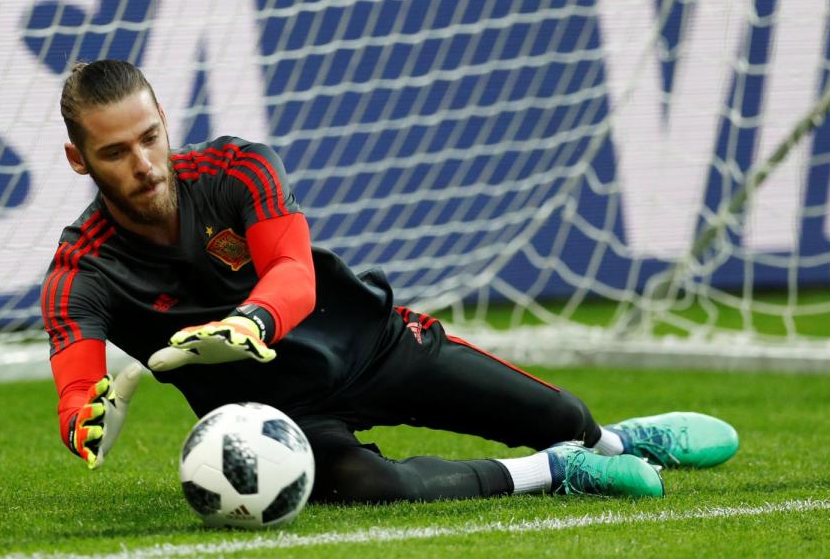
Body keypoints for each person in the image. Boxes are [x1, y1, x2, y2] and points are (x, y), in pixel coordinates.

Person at [42, 59, 739, 503]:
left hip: (374, 345)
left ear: (164, 120)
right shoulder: (83, 271)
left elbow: (292, 273)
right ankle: (560, 473)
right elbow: (77, 382)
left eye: (150, 136)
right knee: (369, 485)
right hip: (287, 418)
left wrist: (250, 322)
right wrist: (83, 418)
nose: (144, 163)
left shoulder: (238, 169)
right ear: (80, 160)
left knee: (564, 418)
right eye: (115, 151)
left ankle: (614, 442)